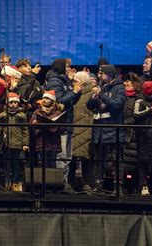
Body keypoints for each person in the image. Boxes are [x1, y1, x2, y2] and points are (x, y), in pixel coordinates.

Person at [45, 58, 83, 193]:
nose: (69, 69)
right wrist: (73, 91)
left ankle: (63, 183)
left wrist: (76, 89)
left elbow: (72, 101)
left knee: (66, 156)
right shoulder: (54, 81)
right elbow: (59, 101)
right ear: (61, 67)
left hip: (67, 123)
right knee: (61, 156)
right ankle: (60, 184)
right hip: (60, 125)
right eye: (67, 66)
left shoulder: (64, 80)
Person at [86, 64, 126, 194]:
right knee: (99, 159)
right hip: (99, 129)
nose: (100, 76)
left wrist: (102, 95)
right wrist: (93, 99)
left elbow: (117, 105)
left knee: (116, 160)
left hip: (113, 129)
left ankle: (117, 187)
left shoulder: (119, 88)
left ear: (109, 74)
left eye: (102, 74)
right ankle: (98, 185)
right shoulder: (102, 87)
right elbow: (89, 106)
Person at [0, 93, 29, 192]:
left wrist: (25, 143)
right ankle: (6, 183)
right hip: (5, 144)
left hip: (17, 144)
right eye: (11, 102)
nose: (13, 104)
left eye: (15, 102)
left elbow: (25, 130)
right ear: (7, 103)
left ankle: (16, 183)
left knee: (16, 165)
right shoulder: (3, 115)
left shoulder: (22, 115)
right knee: (5, 165)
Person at [133, 81, 152, 195]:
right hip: (144, 138)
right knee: (144, 163)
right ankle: (143, 186)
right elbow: (136, 116)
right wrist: (150, 111)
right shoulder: (139, 102)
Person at [30, 90, 64, 169]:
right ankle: (44, 181)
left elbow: (62, 128)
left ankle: (52, 181)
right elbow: (31, 126)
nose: (44, 100)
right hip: (42, 141)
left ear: (52, 100)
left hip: (53, 142)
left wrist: (53, 126)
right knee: (43, 163)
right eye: (44, 98)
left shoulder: (58, 112)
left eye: (47, 98)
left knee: (52, 163)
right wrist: (34, 123)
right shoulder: (37, 112)